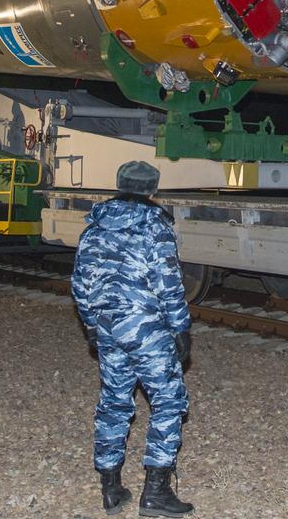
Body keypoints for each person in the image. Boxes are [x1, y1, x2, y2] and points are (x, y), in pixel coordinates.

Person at [71, 160, 193, 517]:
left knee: (114, 403)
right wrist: (180, 327)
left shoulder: (94, 225)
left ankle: (111, 488)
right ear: (152, 190)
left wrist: (92, 324)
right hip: (147, 328)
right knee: (169, 401)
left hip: (108, 327)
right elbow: (168, 283)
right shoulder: (156, 225)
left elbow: (80, 282)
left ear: (119, 184)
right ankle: (155, 493)